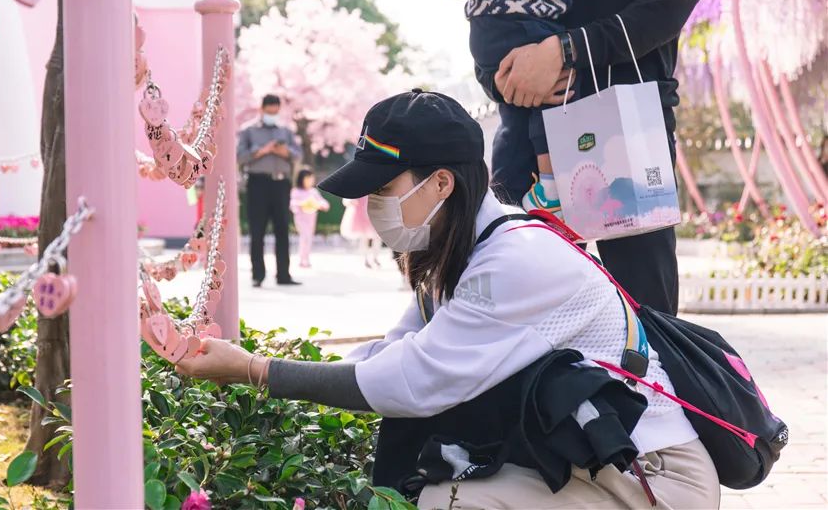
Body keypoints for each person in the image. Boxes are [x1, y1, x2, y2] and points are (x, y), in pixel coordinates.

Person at [177, 90, 719, 509]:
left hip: (655, 480)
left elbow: (408, 381)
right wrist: (256, 363)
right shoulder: (464, 248)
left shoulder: (512, 260)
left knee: (447, 500)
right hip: (593, 461)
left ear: (440, 184)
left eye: (384, 190)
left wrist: (254, 369)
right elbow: (391, 353)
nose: (374, 206)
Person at [486, 0, 712, 316]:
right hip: (529, 116)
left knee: (645, 308)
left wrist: (566, 50)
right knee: (515, 300)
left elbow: (669, 3)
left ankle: (638, 383)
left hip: (629, 120)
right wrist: (498, 75)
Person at [437, 0, 590, 217]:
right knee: (555, 96)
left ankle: (504, 199)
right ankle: (550, 187)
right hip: (496, 26)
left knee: (516, 120)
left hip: (547, 22)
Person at [237, 94, 303, 287]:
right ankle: (258, 274)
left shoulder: (286, 131)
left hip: (281, 184)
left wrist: (285, 152)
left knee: (283, 229)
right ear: (262, 109)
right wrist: (262, 151)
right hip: (258, 184)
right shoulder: (248, 131)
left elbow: (298, 154)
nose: (272, 114)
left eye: (276, 112)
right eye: (269, 111)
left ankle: (284, 274)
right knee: (257, 230)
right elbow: (240, 157)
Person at [290, 167, 330, 269]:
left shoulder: (313, 192)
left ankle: (306, 258)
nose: (310, 181)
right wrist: (301, 204)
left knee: (308, 238)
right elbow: (292, 204)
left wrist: (319, 205)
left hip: (311, 219)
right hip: (300, 219)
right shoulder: (296, 191)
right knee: (305, 237)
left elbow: (324, 203)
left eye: (311, 178)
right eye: (307, 178)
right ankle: (303, 260)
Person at [340, 196, 381, 268]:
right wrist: (350, 201)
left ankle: (375, 257)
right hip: (361, 214)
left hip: (374, 212)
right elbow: (348, 197)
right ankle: (366, 259)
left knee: (377, 236)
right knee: (364, 238)